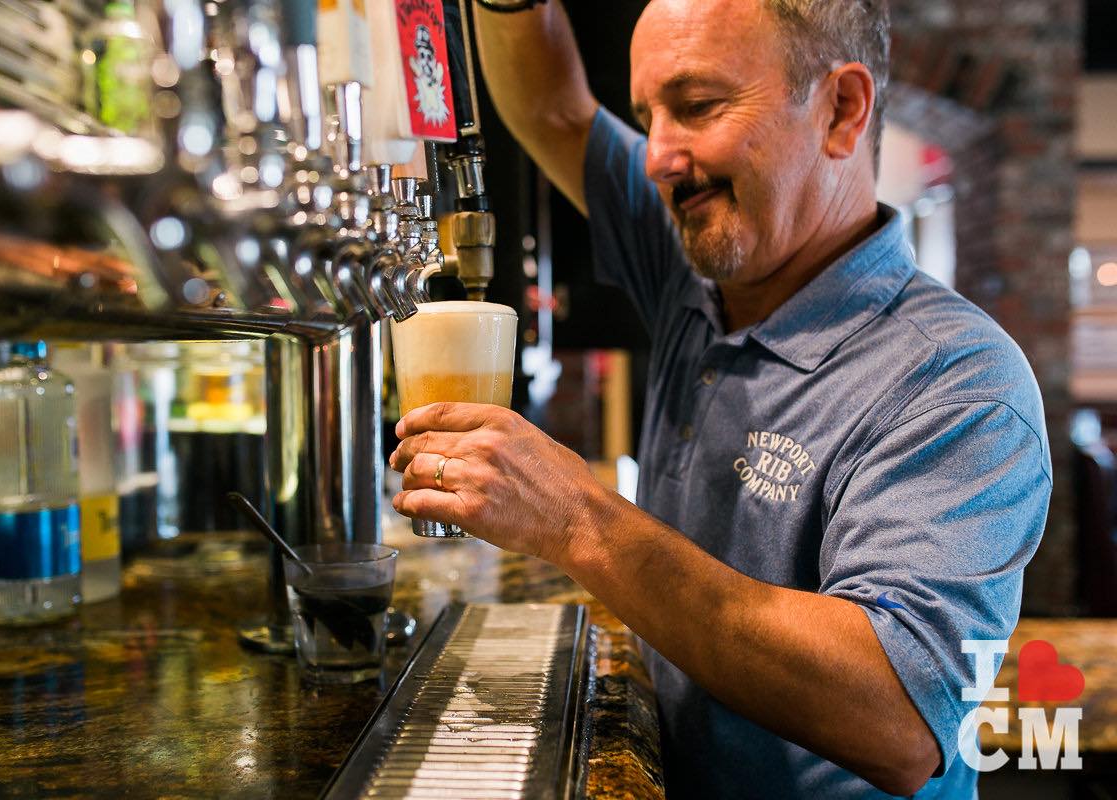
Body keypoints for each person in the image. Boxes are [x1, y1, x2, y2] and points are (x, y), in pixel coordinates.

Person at [388, 0, 1052, 796]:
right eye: (646, 116)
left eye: (697, 107)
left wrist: (579, 519)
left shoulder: (956, 382)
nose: (660, 155)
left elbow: (898, 716)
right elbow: (550, 108)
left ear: (841, 110)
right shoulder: (698, 264)